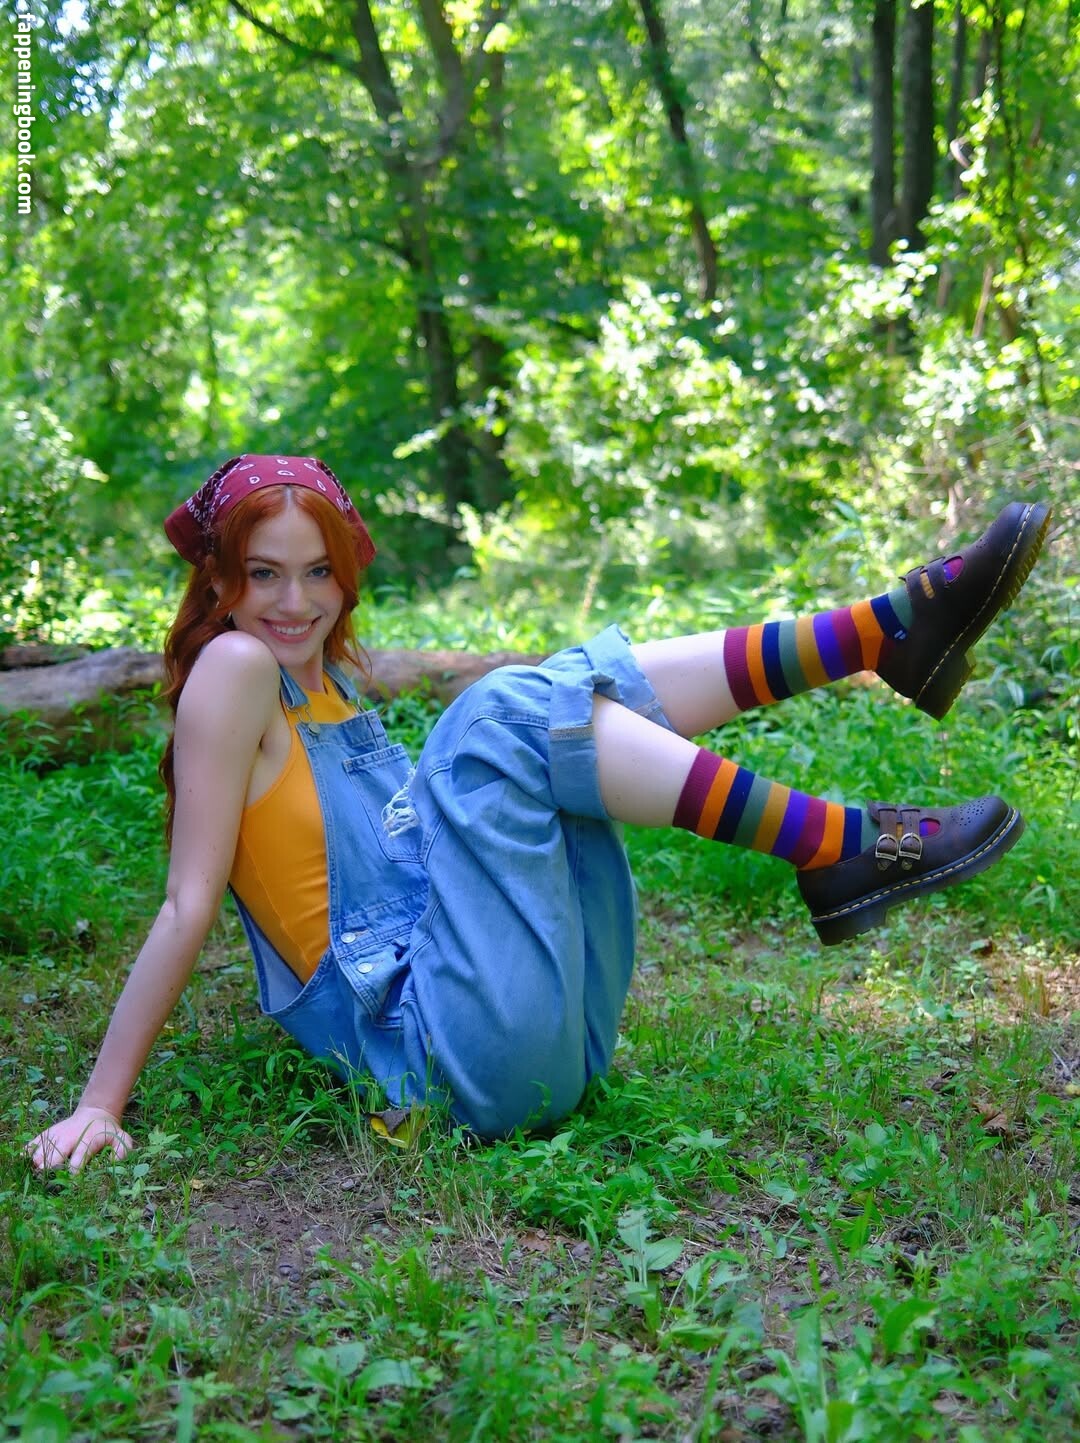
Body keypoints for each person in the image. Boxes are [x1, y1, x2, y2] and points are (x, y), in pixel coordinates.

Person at [27, 455, 1051, 1170]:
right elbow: (187, 904)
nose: (295, 603)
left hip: (536, 1025)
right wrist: (98, 1105)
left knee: (547, 709)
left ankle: (874, 657)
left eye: (318, 573)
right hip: (438, 1053)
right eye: (263, 574)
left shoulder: (324, 684)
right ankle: (850, 772)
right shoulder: (236, 670)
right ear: (218, 575)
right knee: (493, 717)